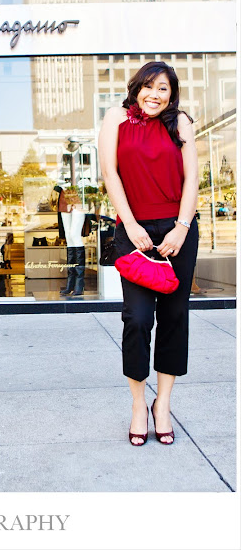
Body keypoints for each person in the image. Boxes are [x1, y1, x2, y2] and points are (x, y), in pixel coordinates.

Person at [99, 61, 198, 446]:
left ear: (171, 95)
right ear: (136, 87)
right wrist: (131, 224)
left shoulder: (181, 122)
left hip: (178, 231)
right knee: (137, 320)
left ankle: (164, 404)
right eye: (149, 86)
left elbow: (192, 177)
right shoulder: (116, 119)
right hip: (133, 232)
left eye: (164, 89)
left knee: (174, 318)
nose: (155, 95)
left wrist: (182, 227)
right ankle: (139, 404)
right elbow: (110, 173)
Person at [54, 184, 86, 296]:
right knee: (69, 237)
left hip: (78, 196)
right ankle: (71, 283)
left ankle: (79, 283)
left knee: (74, 235)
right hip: (64, 196)